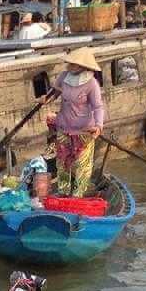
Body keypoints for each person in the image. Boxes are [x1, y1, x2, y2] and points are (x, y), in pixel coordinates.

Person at [47, 48, 105, 197]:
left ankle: (78, 195)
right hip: (63, 127)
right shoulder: (64, 76)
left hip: (84, 130)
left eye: (72, 64)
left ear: (81, 66)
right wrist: (46, 99)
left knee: (82, 165)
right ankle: (63, 193)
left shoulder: (91, 84)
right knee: (62, 162)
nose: (68, 65)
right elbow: (54, 92)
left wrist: (98, 125)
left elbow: (98, 107)